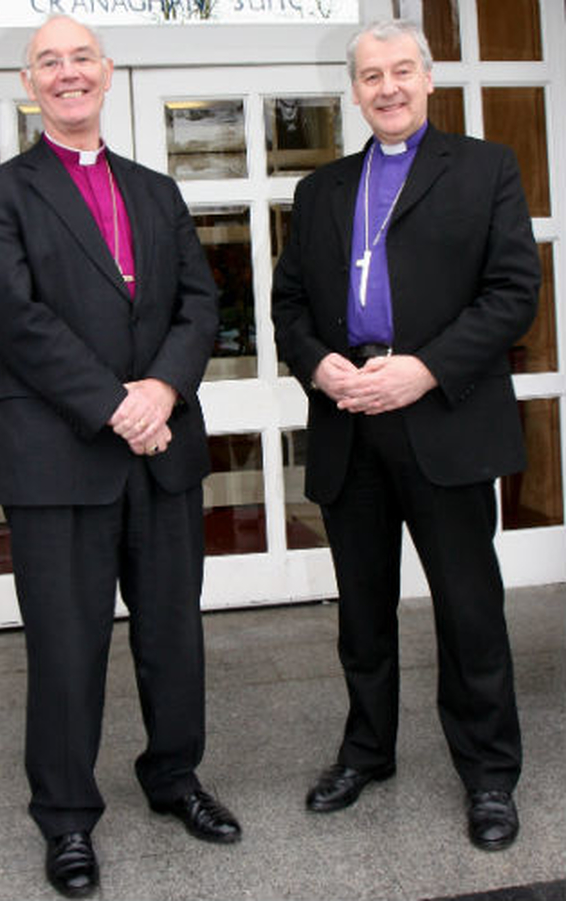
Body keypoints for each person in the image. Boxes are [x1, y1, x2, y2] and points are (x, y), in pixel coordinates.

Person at [0, 14, 241, 898]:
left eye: (81, 57)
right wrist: (121, 406)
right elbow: (17, 322)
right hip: (59, 458)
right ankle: (68, 819)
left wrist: (161, 389)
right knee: (66, 646)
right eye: (49, 62)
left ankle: (174, 778)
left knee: (172, 638)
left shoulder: (158, 190)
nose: (67, 72)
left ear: (108, 72)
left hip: (162, 451)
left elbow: (200, 303)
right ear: (30, 85)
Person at [272, 19, 540, 852]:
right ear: (353, 91)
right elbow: (288, 309)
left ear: (427, 80)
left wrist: (421, 369)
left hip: (443, 417)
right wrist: (322, 367)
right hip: (350, 420)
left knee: (469, 609)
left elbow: (511, 294)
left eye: (400, 72)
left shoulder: (487, 169)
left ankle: (489, 773)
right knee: (363, 611)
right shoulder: (318, 192)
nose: (386, 88)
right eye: (369, 76)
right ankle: (367, 751)